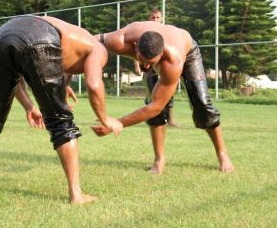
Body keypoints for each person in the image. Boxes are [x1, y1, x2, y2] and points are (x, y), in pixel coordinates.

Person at [0, 15, 123, 205]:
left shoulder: (70, 39)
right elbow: (94, 84)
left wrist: (30, 106)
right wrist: (104, 118)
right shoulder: (98, 48)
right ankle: (76, 195)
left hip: (3, 34)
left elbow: (14, 77)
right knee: (61, 121)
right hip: (41, 35)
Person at [93, 21, 235, 174]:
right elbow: (86, 42)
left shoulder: (172, 60)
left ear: (161, 54)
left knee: (202, 104)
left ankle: (222, 154)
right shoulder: (120, 39)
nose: (146, 67)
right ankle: (159, 160)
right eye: (142, 61)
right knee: (156, 112)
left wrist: (117, 123)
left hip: (188, 53)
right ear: (135, 46)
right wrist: (67, 79)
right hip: (153, 52)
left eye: (151, 63)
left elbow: (155, 106)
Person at [133, 8, 178, 174]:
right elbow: (135, 50)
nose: (155, 19)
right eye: (152, 16)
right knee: (153, 102)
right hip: (150, 71)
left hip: (165, 70)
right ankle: (158, 156)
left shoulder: (167, 32)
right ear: (148, 17)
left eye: (158, 17)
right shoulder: (144, 33)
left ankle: (170, 120)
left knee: (168, 98)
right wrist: (137, 64)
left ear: (162, 18)